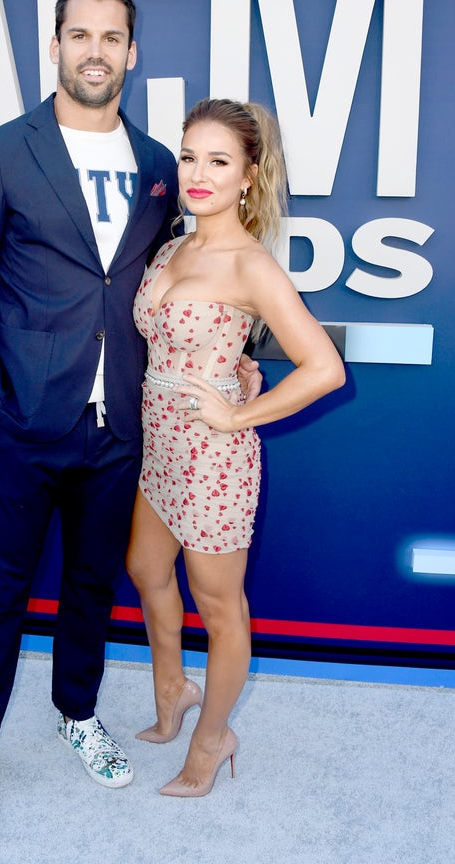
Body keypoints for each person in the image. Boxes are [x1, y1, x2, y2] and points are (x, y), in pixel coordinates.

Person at [0, 0, 258, 830]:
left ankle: (79, 714)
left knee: (88, 585)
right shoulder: (3, 152)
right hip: (25, 423)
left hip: (121, 434)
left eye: (112, 38)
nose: (95, 52)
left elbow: (196, 282)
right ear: (56, 46)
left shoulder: (159, 166)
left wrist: (245, 362)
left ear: (132, 54)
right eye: (80, 35)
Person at [124, 97, 346, 797]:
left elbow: (325, 368)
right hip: (159, 448)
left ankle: (214, 738)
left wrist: (235, 414)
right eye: (189, 156)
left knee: (221, 610)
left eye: (218, 161)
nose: (197, 173)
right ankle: (173, 691)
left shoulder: (252, 266)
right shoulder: (173, 246)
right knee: (144, 569)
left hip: (213, 463)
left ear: (249, 175)